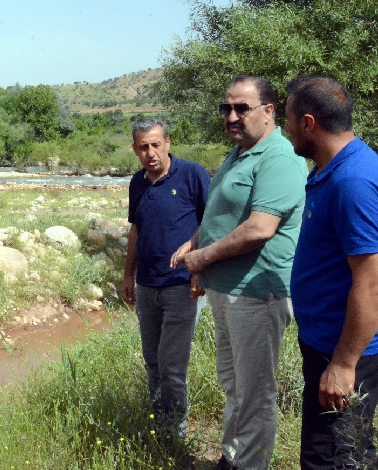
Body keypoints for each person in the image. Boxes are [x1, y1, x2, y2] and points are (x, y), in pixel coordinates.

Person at [170, 75, 308, 470]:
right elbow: (224, 212)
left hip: (257, 291)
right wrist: (196, 241)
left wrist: (204, 258)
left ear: (269, 111)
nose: (231, 117)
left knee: (255, 392)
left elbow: (260, 228)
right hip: (227, 289)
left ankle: (250, 465)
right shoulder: (240, 152)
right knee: (233, 383)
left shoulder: (279, 158)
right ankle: (233, 458)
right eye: (225, 108)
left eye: (241, 108)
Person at [286, 76, 378, 469]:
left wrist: (343, 364)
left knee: (341, 457)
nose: (284, 130)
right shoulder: (335, 169)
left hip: (347, 353)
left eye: (288, 120)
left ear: (308, 123)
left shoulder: (352, 180)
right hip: (327, 344)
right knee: (330, 451)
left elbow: (371, 280)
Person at [121, 116, 210, 436]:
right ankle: (159, 423)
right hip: (146, 286)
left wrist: (195, 254)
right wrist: (127, 275)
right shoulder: (137, 183)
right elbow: (136, 229)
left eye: (156, 145)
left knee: (173, 365)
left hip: (180, 286)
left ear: (168, 143)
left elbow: (213, 222)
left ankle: (176, 432)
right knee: (153, 361)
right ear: (134, 149)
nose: (150, 153)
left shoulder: (193, 175)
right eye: (143, 147)